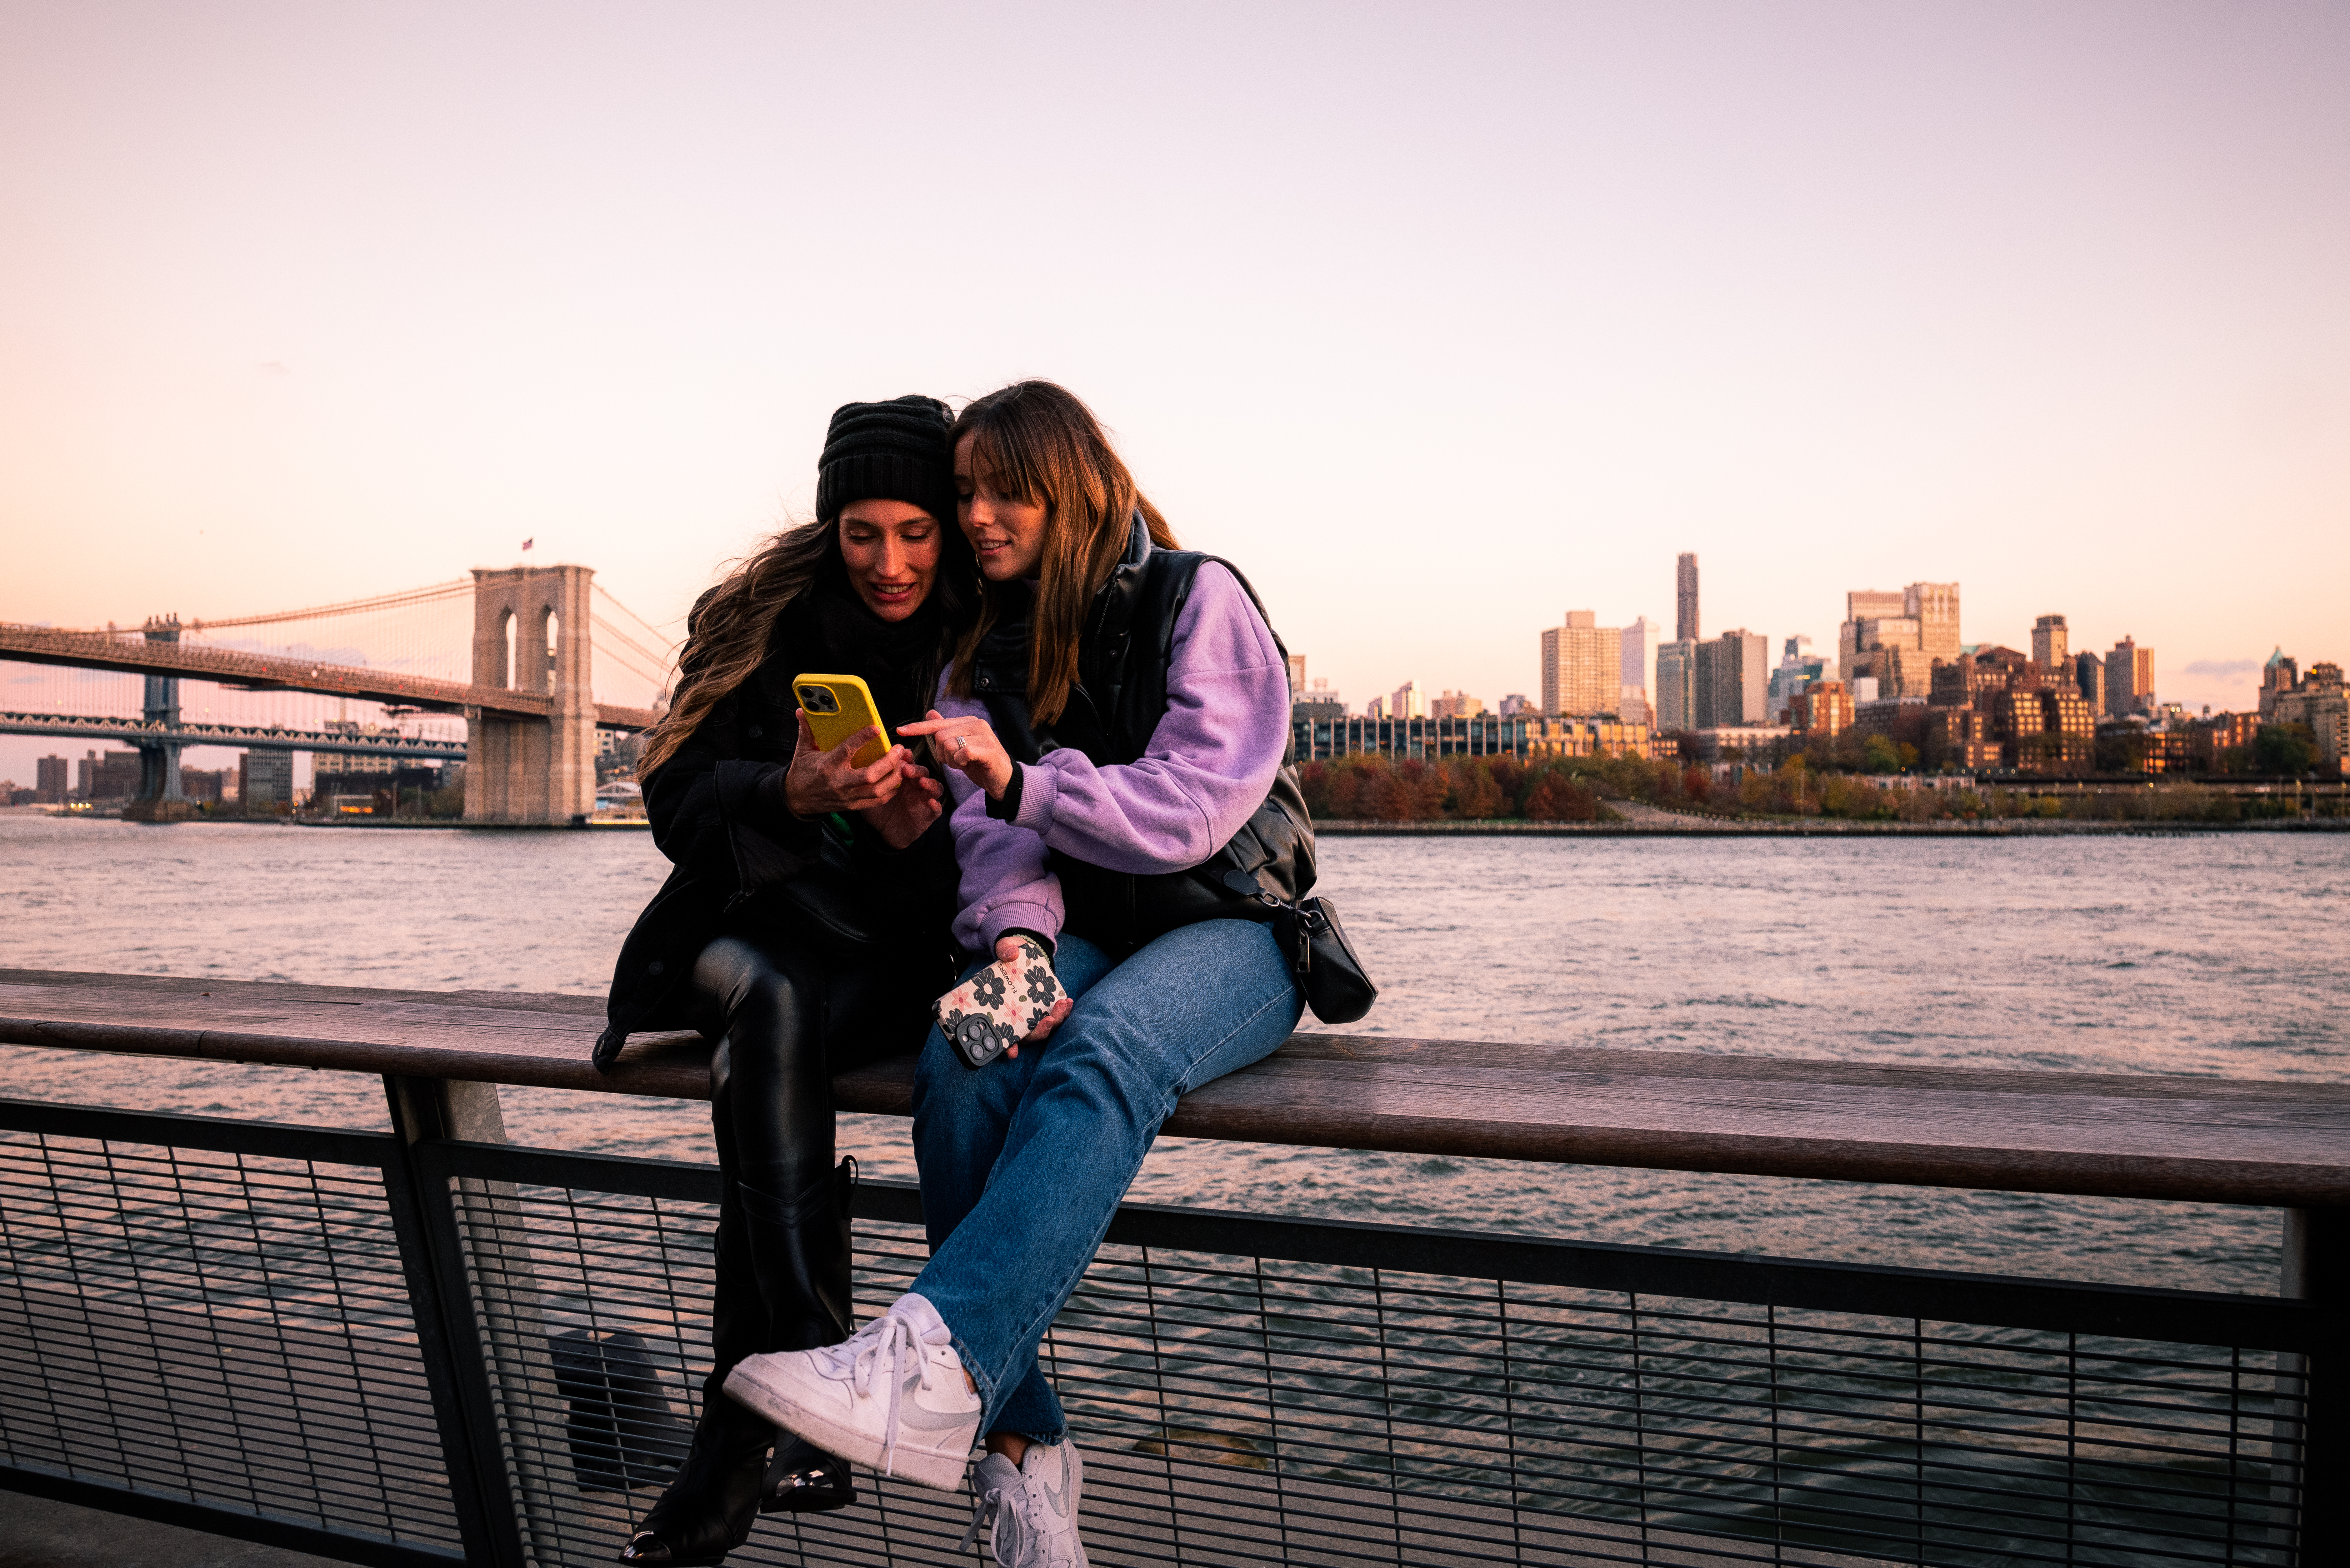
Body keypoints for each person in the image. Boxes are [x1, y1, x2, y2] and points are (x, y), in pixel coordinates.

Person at [724, 381, 1311, 1567]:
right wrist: (1017, 945)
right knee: (967, 1055)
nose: (980, 516)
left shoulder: (1200, 595)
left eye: (1007, 491)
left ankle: (934, 1364)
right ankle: (1024, 1457)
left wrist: (1025, 780)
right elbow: (1000, 841)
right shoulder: (979, 646)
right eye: (969, 494)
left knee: (1107, 1050)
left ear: (1073, 485)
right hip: (1084, 926)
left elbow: (1198, 803)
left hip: (1238, 927)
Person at [592, 395, 970, 1567]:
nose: (892, 562)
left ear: (950, 528)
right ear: (831, 523)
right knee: (768, 997)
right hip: (731, 931)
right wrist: (787, 793)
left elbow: (1022, 844)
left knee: (773, 1057)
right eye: (865, 532)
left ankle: (737, 1427)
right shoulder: (762, 620)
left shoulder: (986, 636)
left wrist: (926, 827)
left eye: (916, 532)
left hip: (878, 955)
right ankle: (813, 1336)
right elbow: (671, 802)